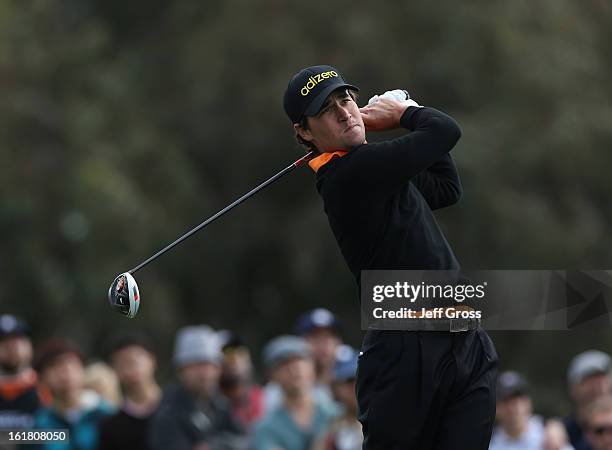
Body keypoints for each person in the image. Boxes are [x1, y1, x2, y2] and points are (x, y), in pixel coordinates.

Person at [283, 64, 498, 449]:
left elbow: (446, 189)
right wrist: (404, 114)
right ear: (304, 131)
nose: (344, 111)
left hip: (461, 334)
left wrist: (406, 116)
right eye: (326, 110)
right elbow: (445, 131)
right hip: (404, 351)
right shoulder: (346, 176)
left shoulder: (375, 168)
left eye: (345, 99)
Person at [148, 325, 247, 450]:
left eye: (211, 366)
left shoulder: (219, 404)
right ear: (181, 370)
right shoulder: (169, 411)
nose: (205, 374)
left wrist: (213, 445)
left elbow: (244, 441)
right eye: (197, 365)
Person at [253, 335, 336, 450]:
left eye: (300, 360)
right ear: (272, 375)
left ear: (312, 366)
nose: (294, 369)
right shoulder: (267, 427)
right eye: (284, 364)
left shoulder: (334, 414)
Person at [31, 338, 114, 450]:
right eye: (54, 366)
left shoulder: (107, 415)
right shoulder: (39, 424)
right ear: (41, 378)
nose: (66, 370)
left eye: (72, 363)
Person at [98, 333, 161, 450]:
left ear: (152, 360)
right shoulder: (110, 426)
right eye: (123, 362)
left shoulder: (177, 409)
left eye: (135, 360)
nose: (131, 366)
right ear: (114, 370)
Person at [489, 371, 573, 450]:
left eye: (518, 399)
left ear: (528, 402)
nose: (513, 407)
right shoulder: (488, 442)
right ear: (496, 407)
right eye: (506, 401)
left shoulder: (548, 434)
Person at [0, 315, 48, 437]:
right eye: (3, 341)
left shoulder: (47, 386)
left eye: (18, 340)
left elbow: (63, 436)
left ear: (29, 345)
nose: (12, 347)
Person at [313, 345, 362, 450]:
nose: (356, 386)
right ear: (336, 388)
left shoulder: (385, 417)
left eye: (360, 378)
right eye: (349, 381)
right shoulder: (329, 425)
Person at [564, 351, 612, 450]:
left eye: (603, 380)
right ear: (574, 388)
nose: (600, 388)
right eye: (591, 381)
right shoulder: (564, 432)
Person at [218, 332, 264, 429]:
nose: (235, 359)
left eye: (240, 352)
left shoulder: (265, 398)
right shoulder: (209, 404)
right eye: (227, 354)